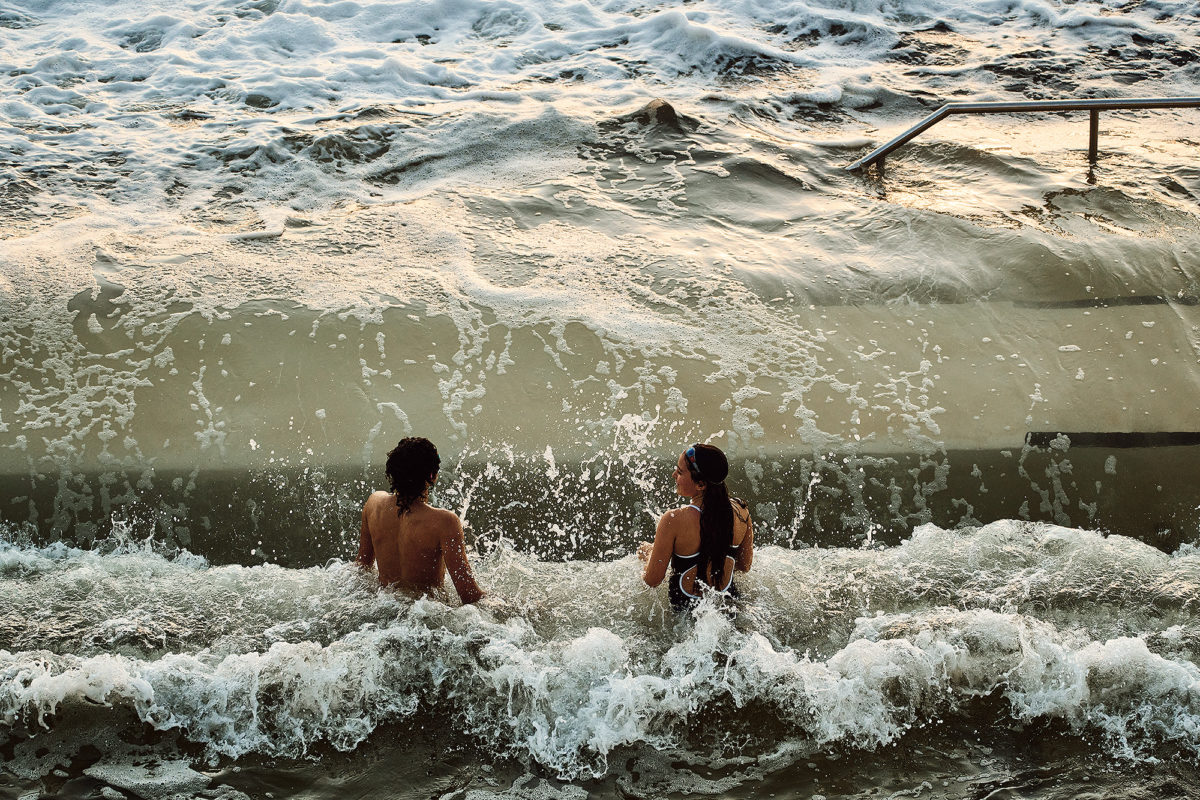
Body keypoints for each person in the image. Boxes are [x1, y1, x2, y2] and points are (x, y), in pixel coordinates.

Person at [357, 437, 486, 605]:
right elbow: (469, 596)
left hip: (385, 605)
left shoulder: (373, 504)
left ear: (393, 472)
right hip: (425, 615)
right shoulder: (444, 522)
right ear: (432, 476)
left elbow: (361, 568)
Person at [638, 443, 753, 611]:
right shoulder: (741, 511)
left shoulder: (674, 519)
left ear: (700, 485)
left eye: (680, 472)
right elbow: (744, 566)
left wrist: (649, 552)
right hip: (730, 606)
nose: (673, 475)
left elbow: (652, 580)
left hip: (687, 619)